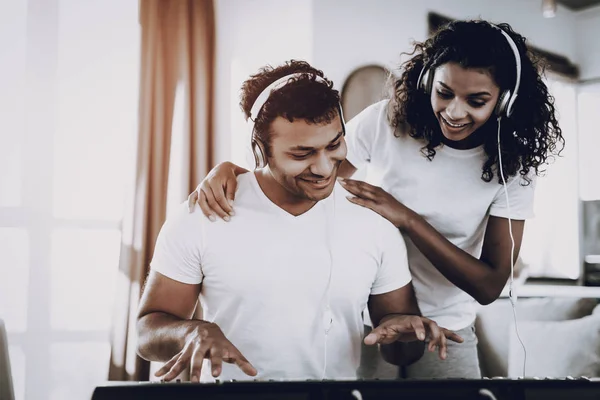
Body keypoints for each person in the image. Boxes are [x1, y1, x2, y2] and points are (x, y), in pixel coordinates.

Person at [188, 20, 565, 379]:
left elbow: (489, 286)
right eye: (444, 92)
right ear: (426, 81)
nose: (453, 111)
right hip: (367, 320)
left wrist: (407, 219)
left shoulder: (513, 166)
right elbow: (312, 178)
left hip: (446, 329)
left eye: (476, 100)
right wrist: (237, 172)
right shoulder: (388, 120)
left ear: (505, 101)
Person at [136, 60, 462, 383]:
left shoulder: (373, 218)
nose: (323, 168)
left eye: (334, 145)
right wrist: (191, 331)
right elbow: (147, 332)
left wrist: (409, 334)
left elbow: (400, 349)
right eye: (301, 154)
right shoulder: (206, 213)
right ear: (260, 150)